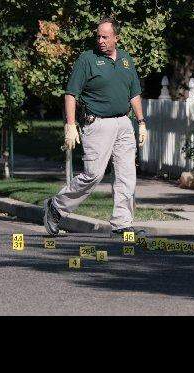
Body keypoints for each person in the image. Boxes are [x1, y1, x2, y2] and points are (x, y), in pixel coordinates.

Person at [44, 16, 147, 237]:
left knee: (127, 175)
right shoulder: (87, 60)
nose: (100, 40)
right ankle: (56, 206)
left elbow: (135, 94)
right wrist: (70, 125)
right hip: (97, 124)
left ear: (116, 38)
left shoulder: (127, 60)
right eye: (98, 36)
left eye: (105, 37)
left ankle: (122, 223)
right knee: (93, 175)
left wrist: (141, 122)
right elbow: (71, 94)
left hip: (124, 124)